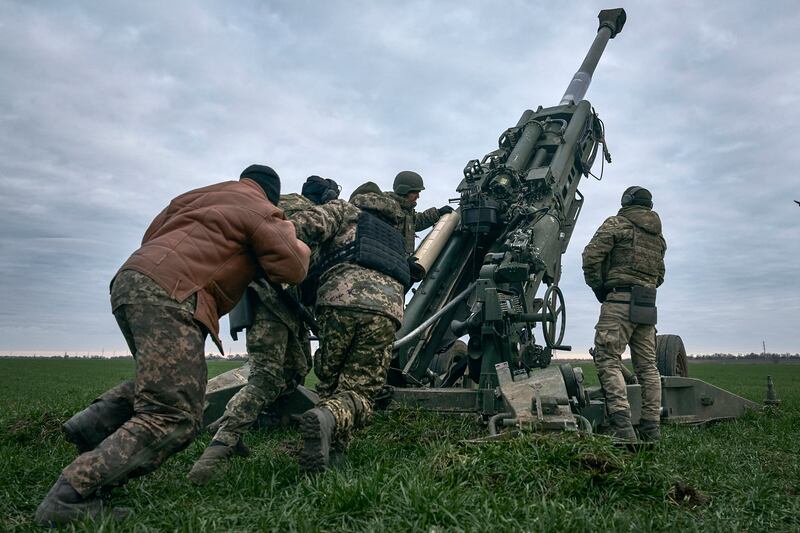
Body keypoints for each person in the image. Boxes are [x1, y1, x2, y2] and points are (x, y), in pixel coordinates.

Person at [35, 165, 311, 526]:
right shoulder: (260, 208)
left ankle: (94, 424)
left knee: (168, 379)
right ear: (271, 194)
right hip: (174, 293)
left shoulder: (195, 196)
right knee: (173, 413)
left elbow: (153, 234)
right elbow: (294, 266)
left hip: (132, 279)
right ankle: (69, 495)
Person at [187, 175, 341, 485]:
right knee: (267, 377)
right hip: (271, 299)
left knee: (296, 369)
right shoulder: (306, 214)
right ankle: (220, 446)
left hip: (280, 303)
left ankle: (237, 422)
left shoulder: (279, 206)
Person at [291, 189, 409, 471]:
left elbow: (306, 225)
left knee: (329, 383)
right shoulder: (395, 236)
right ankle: (333, 445)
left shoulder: (344, 210)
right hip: (386, 311)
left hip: (337, 302)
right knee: (360, 391)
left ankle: (325, 422)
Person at [581, 186, 666, 442]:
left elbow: (591, 256)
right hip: (646, 305)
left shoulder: (617, 224)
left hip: (618, 300)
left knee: (608, 359)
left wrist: (599, 288)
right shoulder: (658, 237)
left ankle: (623, 428)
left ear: (626, 201)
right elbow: (660, 275)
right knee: (648, 367)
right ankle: (651, 428)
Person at [387, 170, 453, 255]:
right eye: (415, 192)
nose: (418, 196)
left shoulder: (405, 210)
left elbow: (417, 222)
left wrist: (438, 212)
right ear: (404, 191)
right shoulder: (387, 208)